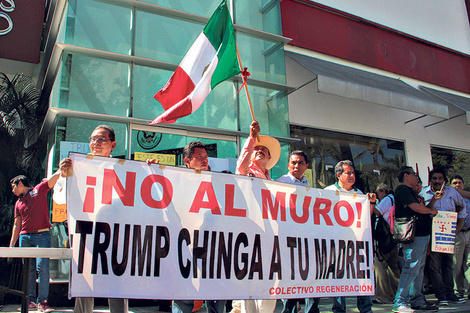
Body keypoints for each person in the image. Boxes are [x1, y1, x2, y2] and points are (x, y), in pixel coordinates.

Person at [60, 125, 129, 313]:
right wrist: (64, 175)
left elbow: (131, 201)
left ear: (113, 144)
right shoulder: (77, 166)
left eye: (101, 139)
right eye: (92, 139)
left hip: (114, 236)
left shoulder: (124, 169)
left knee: (116, 284)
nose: (95, 143)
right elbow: (60, 199)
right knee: (84, 284)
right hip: (86, 233)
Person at [166, 141, 226, 313]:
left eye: (206, 157)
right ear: (187, 161)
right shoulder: (177, 179)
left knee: (215, 293)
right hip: (186, 244)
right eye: (199, 157)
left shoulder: (219, 180)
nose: (204, 160)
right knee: (184, 293)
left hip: (212, 245)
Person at [10, 167, 69, 313]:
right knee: (28, 270)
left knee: (42, 268)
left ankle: (43, 302)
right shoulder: (18, 203)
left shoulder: (38, 189)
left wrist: (63, 168)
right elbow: (17, 224)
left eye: (13, 187)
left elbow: (53, 180)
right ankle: (30, 301)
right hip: (25, 238)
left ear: (20, 184)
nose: (13, 191)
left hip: (42, 236)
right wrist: (12, 245)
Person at [235, 121, 280, 313]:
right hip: (250, 232)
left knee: (270, 281)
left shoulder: (274, 182)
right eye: (257, 149)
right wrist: (252, 138)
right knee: (249, 280)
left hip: (269, 236)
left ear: (269, 157)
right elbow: (242, 165)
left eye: (264, 150)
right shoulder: (246, 172)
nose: (259, 151)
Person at [324, 160, 375, 313]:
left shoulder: (359, 194)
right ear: (338, 175)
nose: (352, 176)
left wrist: (371, 204)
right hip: (337, 243)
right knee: (338, 277)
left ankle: (366, 309)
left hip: (357, 243)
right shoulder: (328, 191)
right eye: (348, 173)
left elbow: (366, 217)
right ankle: (339, 310)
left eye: (353, 173)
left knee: (363, 275)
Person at [276, 151, 320, 313]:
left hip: (308, 239)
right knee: (291, 279)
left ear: (306, 166)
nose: (297, 166)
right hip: (289, 240)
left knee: (311, 278)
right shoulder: (280, 183)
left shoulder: (310, 186)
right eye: (293, 162)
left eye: (301, 162)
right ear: (288, 165)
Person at [392, 166, 438, 313]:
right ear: (406, 175)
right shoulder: (402, 190)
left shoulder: (413, 192)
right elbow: (414, 207)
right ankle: (400, 302)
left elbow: (422, 208)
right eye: (414, 174)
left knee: (418, 269)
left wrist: (434, 202)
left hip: (422, 234)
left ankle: (417, 299)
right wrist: (431, 210)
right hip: (414, 235)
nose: (416, 177)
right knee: (411, 268)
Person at [420, 168, 466, 306]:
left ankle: (450, 294)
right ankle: (441, 295)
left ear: (444, 179)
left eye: (440, 178)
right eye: (434, 178)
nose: (437, 181)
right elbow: (424, 210)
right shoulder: (424, 193)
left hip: (448, 232)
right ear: (430, 180)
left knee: (448, 264)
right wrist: (434, 200)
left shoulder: (452, 192)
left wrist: (458, 226)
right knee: (434, 265)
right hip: (433, 232)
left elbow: (462, 206)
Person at [372, 183, 400, 304]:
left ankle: (383, 296)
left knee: (381, 266)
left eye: (378, 194)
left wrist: (371, 205)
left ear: (383, 191)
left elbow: (377, 212)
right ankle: (397, 294)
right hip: (394, 236)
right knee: (394, 268)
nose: (378, 197)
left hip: (384, 237)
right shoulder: (395, 199)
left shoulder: (387, 199)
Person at [451, 175, 470, 299]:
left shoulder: (468, 198)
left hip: (469, 232)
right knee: (456, 264)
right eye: (454, 183)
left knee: (469, 263)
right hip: (456, 234)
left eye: (459, 182)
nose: (457, 184)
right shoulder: (450, 198)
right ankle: (458, 291)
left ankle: (469, 290)